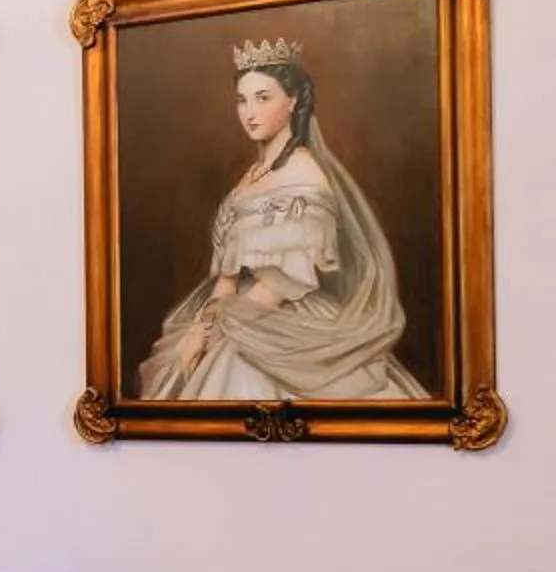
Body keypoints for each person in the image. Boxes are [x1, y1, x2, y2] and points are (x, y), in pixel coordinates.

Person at [136, 38, 425, 402]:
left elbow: (279, 286)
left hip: (283, 324)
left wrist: (214, 333)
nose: (249, 112)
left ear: (293, 102)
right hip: (236, 313)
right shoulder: (252, 177)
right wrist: (201, 330)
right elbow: (227, 280)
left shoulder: (305, 174)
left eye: (263, 97)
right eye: (242, 100)